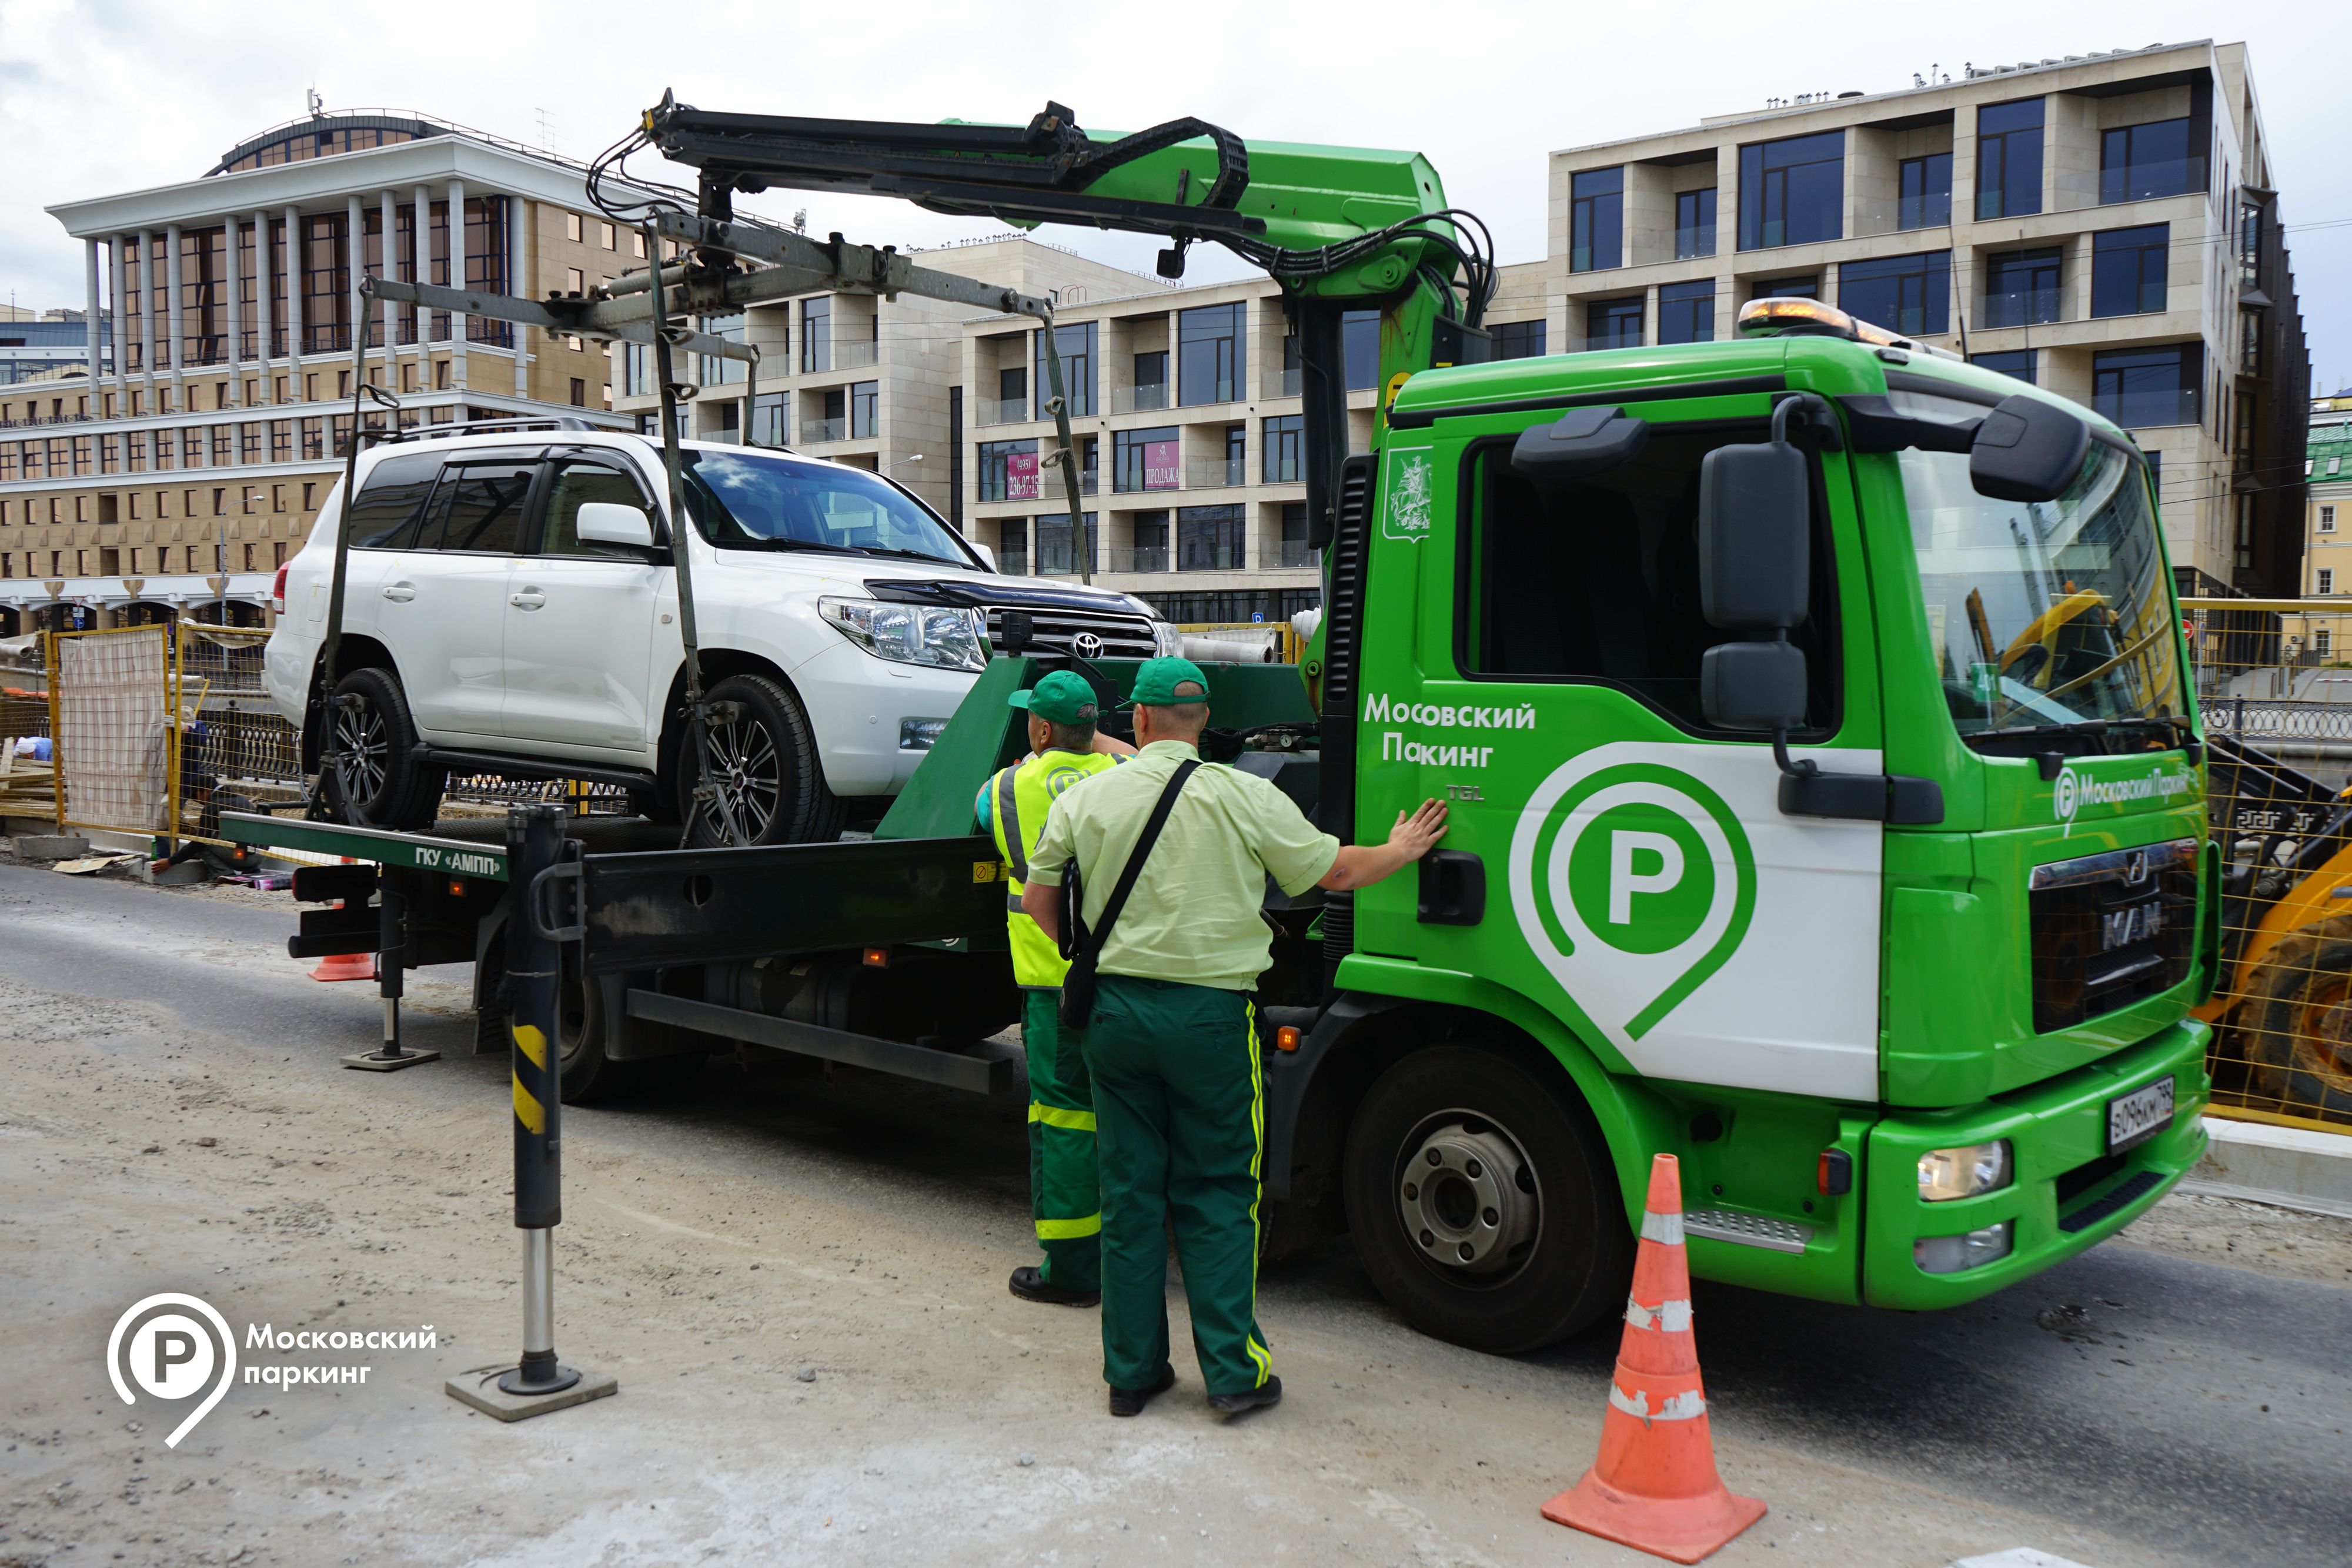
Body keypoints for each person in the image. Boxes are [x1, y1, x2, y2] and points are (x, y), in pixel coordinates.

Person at [1024, 657, 1446, 1418]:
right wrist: (1403, 849)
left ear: (1142, 721)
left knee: (1127, 1194)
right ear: (1202, 720)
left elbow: (1038, 897)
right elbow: (1336, 871)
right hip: (1209, 1019)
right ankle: (1230, 1374)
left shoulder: (1088, 797)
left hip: (1115, 1018)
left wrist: (1082, 958)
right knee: (1218, 1190)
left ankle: (1132, 1372)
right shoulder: (1244, 794)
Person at [974, 669, 1134, 1309]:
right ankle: (1130, 1256)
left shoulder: (1007, 787)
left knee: (1064, 1122)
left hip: (1053, 986)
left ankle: (1070, 1270)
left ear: (1039, 729)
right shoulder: (1128, 780)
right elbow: (1141, 759)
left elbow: (980, 811)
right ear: (1092, 729)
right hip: (1129, 978)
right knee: (1125, 1119)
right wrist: (1104, 747)